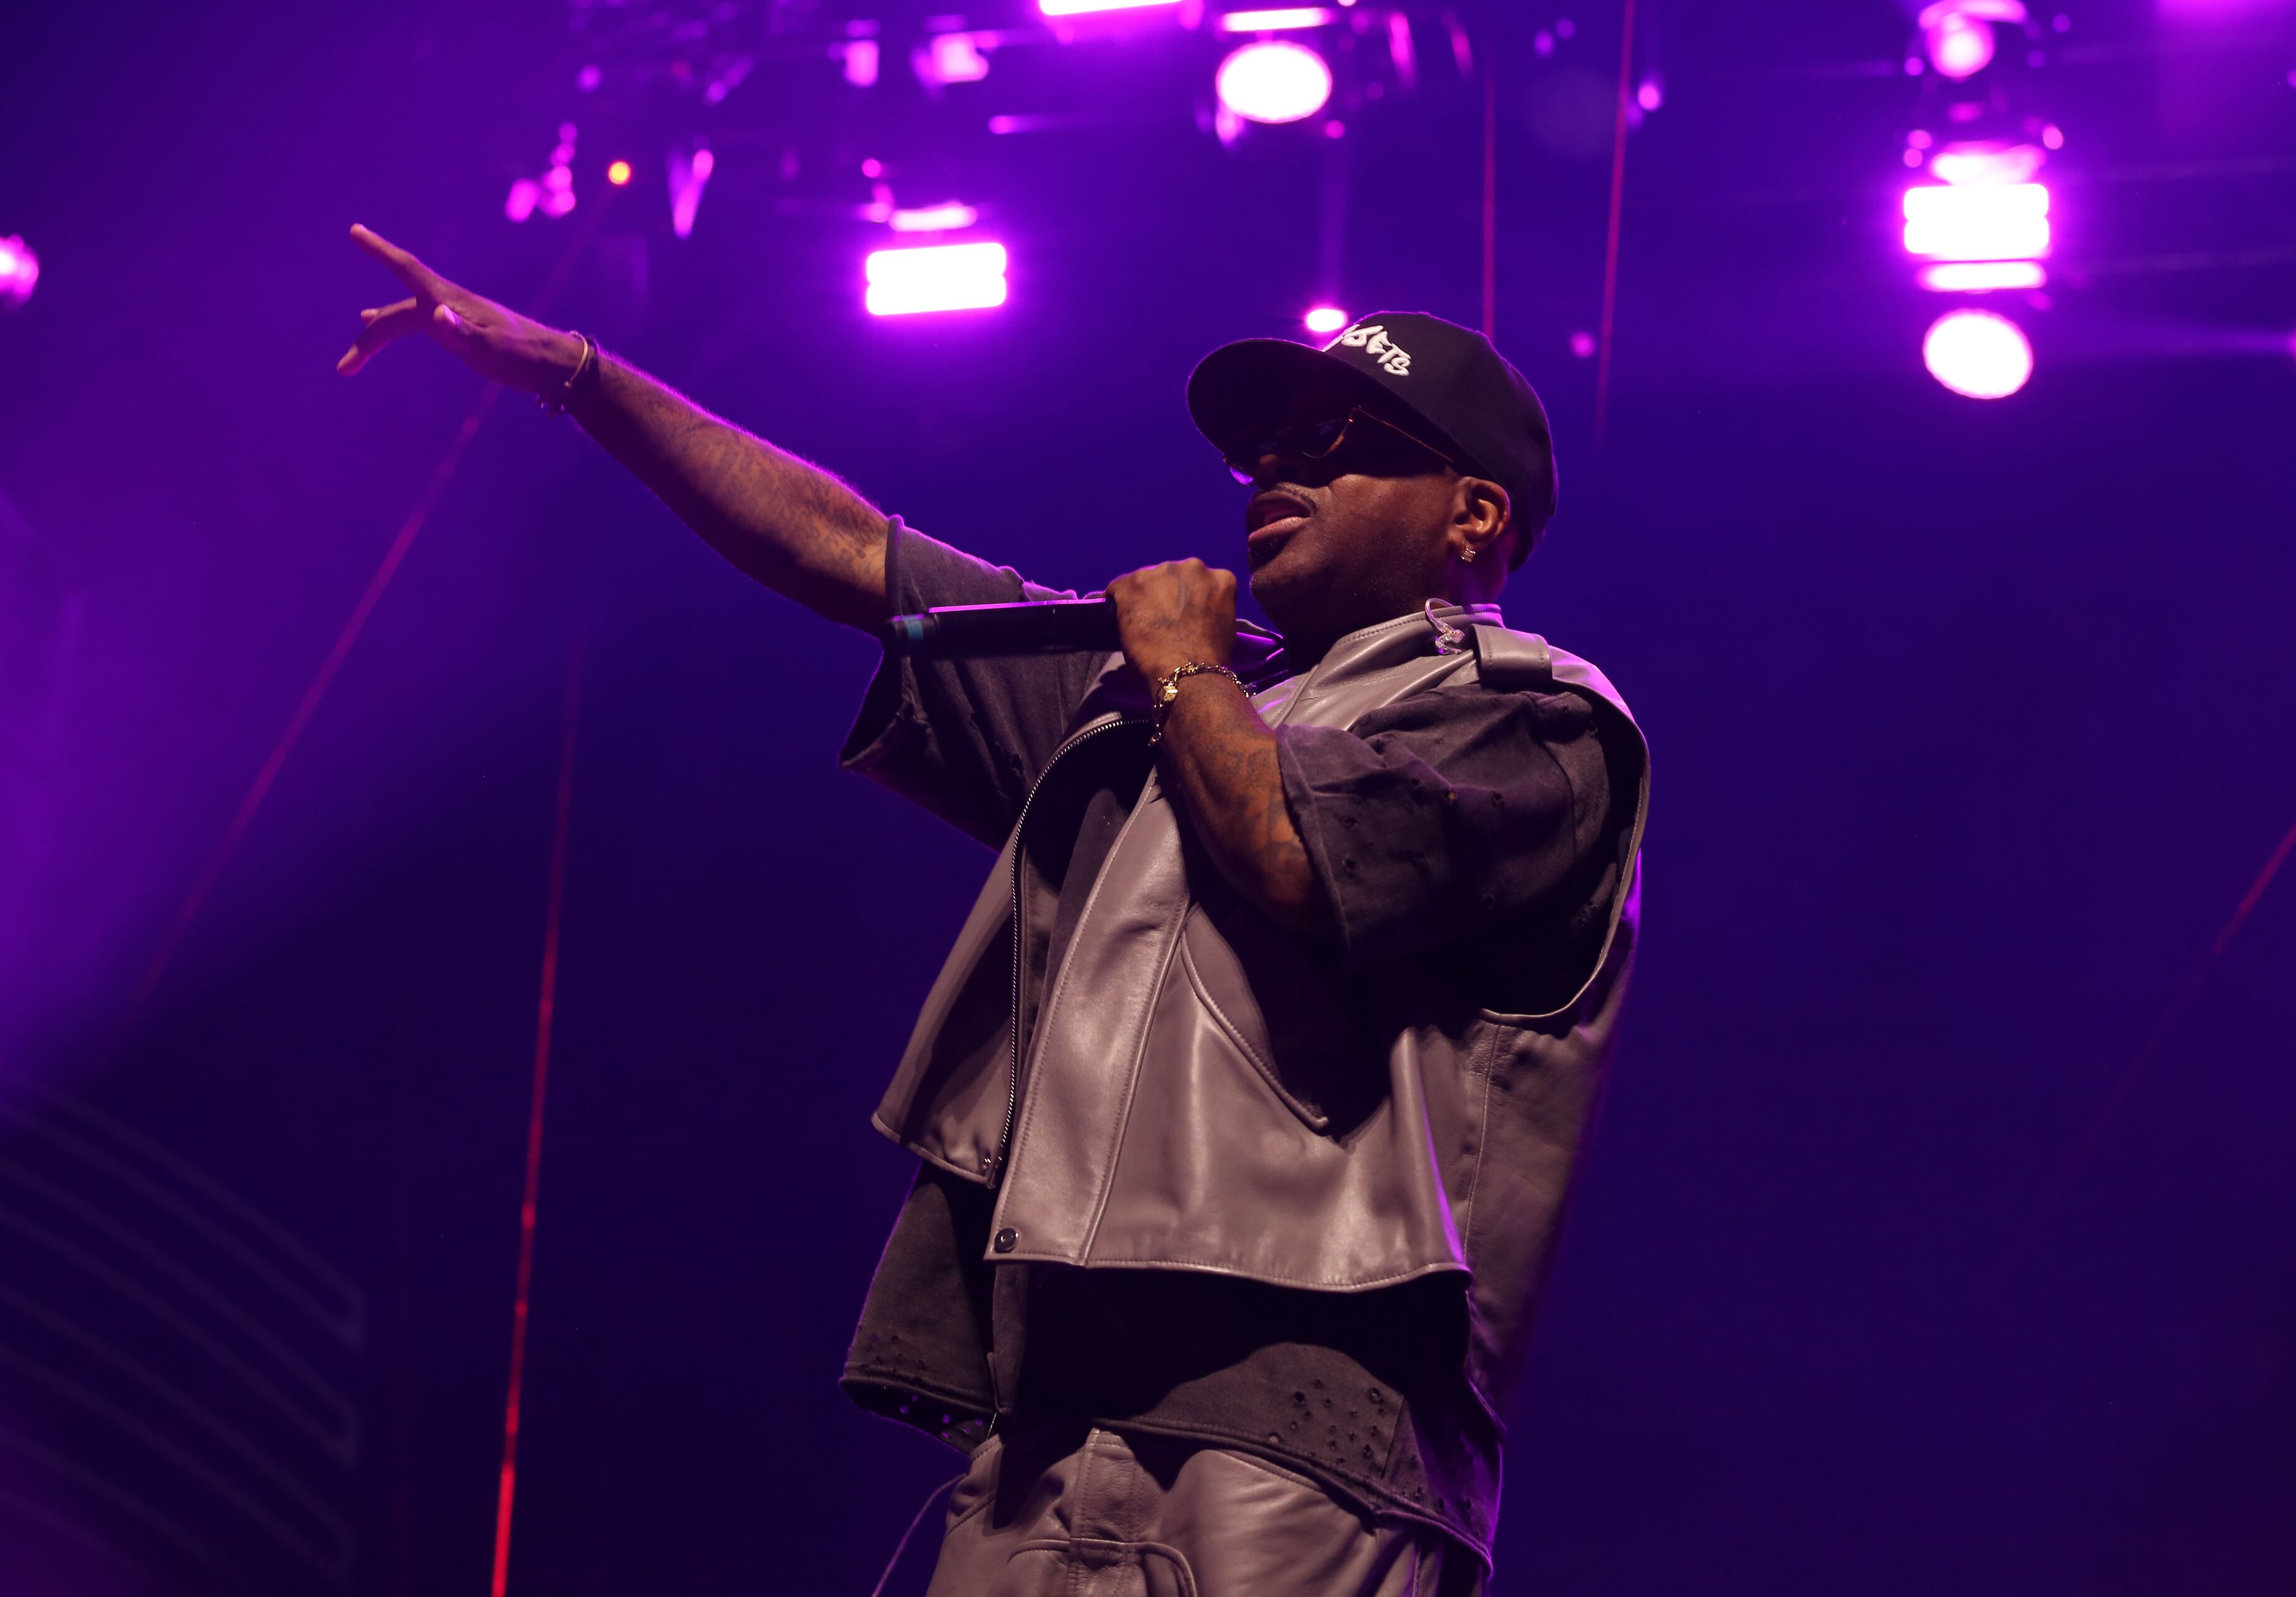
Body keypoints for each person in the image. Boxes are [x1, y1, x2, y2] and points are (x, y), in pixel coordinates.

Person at [338, 225, 1649, 1597]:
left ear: (1473, 513)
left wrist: (1187, 669)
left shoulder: (1534, 719)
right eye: (1269, 439)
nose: (1278, 462)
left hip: (1310, 1435)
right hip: (1042, 1419)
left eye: (1341, 436)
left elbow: (1291, 852)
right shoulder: (1165, 700)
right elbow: (853, 552)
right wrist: (580, 373)